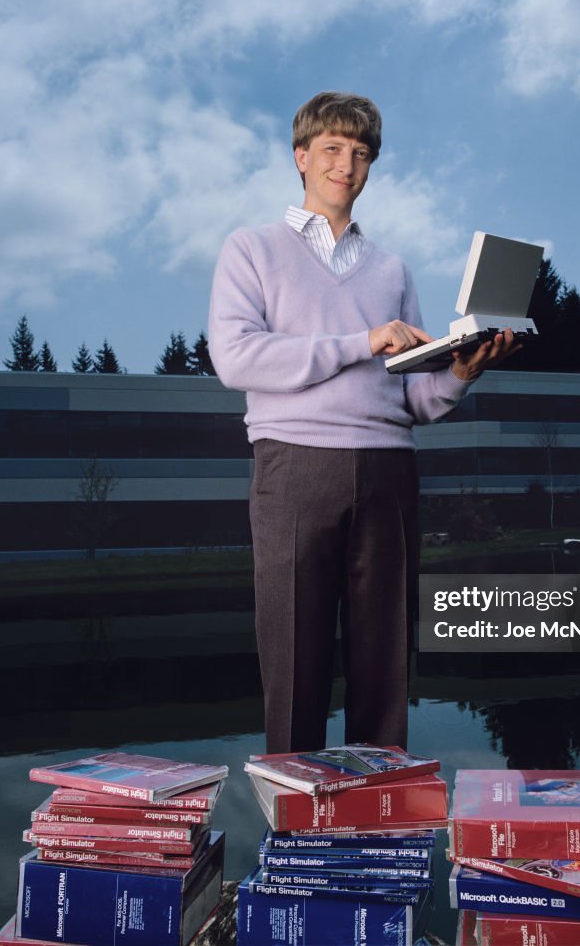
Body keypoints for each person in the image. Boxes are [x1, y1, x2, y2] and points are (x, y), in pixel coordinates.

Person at [208, 91, 520, 753]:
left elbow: (412, 401)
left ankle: (381, 833)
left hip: (388, 470)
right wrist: (361, 340)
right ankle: (295, 837)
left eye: (360, 153)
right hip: (295, 465)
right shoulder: (252, 249)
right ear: (301, 157)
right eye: (331, 150)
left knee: (385, 662)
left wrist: (461, 373)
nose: (345, 165)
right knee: (297, 660)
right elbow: (235, 357)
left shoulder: (393, 270)